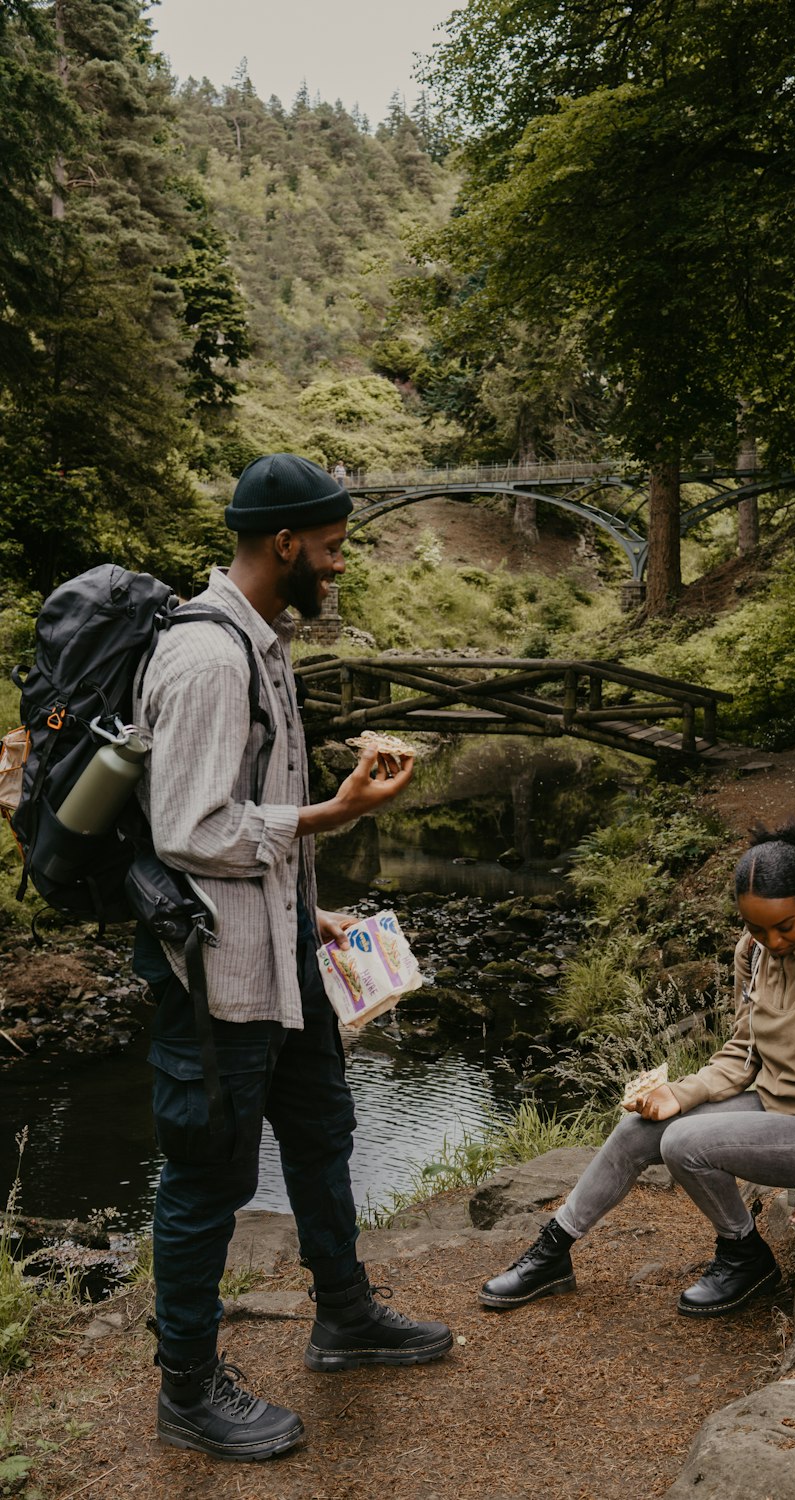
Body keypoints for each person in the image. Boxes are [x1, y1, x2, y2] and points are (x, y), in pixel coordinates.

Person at [132, 452, 451, 1463]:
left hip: (281, 959)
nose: (339, 564)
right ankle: (185, 1389)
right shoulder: (209, 659)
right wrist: (337, 810)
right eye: (331, 547)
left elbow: (244, 815)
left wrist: (307, 910)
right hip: (215, 978)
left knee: (321, 1132)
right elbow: (187, 827)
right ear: (283, 544)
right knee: (206, 1179)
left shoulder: (260, 642)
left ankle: (344, 1317)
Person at [479, 819, 795, 1320]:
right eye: (755, 927)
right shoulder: (751, 953)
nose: (771, 940)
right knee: (641, 1128)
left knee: (686, 1144)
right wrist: (681, 1094)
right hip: (769, 1106)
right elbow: (743, 1051)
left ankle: (742, 1254)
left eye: (783, 926)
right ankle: (552, 1252)